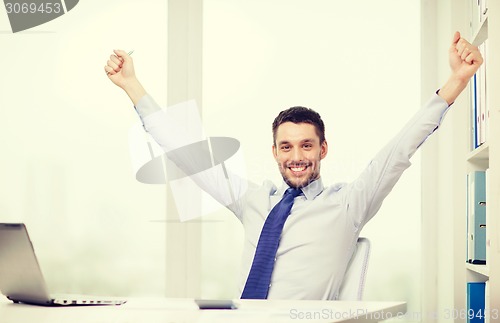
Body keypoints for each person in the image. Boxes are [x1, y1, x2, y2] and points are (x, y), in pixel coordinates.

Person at [104, 31, 482, 300]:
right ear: (274, 152)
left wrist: (455, 81)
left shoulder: (348, 205)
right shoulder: (251, 199)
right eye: (286, 146)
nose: (296, 156)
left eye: (306, 145)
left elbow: (398, 151)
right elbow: (188, 154)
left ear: (323, 149)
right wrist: (132, 85)